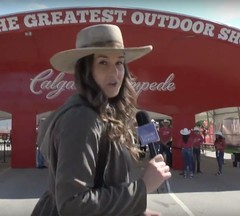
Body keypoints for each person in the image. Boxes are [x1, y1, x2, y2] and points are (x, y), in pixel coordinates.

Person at [31, 24, 171, 216]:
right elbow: (73, 206)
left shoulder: (101, 113)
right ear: (86, 70)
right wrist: (143, 187)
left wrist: (134, 210)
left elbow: (102, 186)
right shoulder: (82, 118)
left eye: (119, 62)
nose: (114, 72)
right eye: (103, 63)